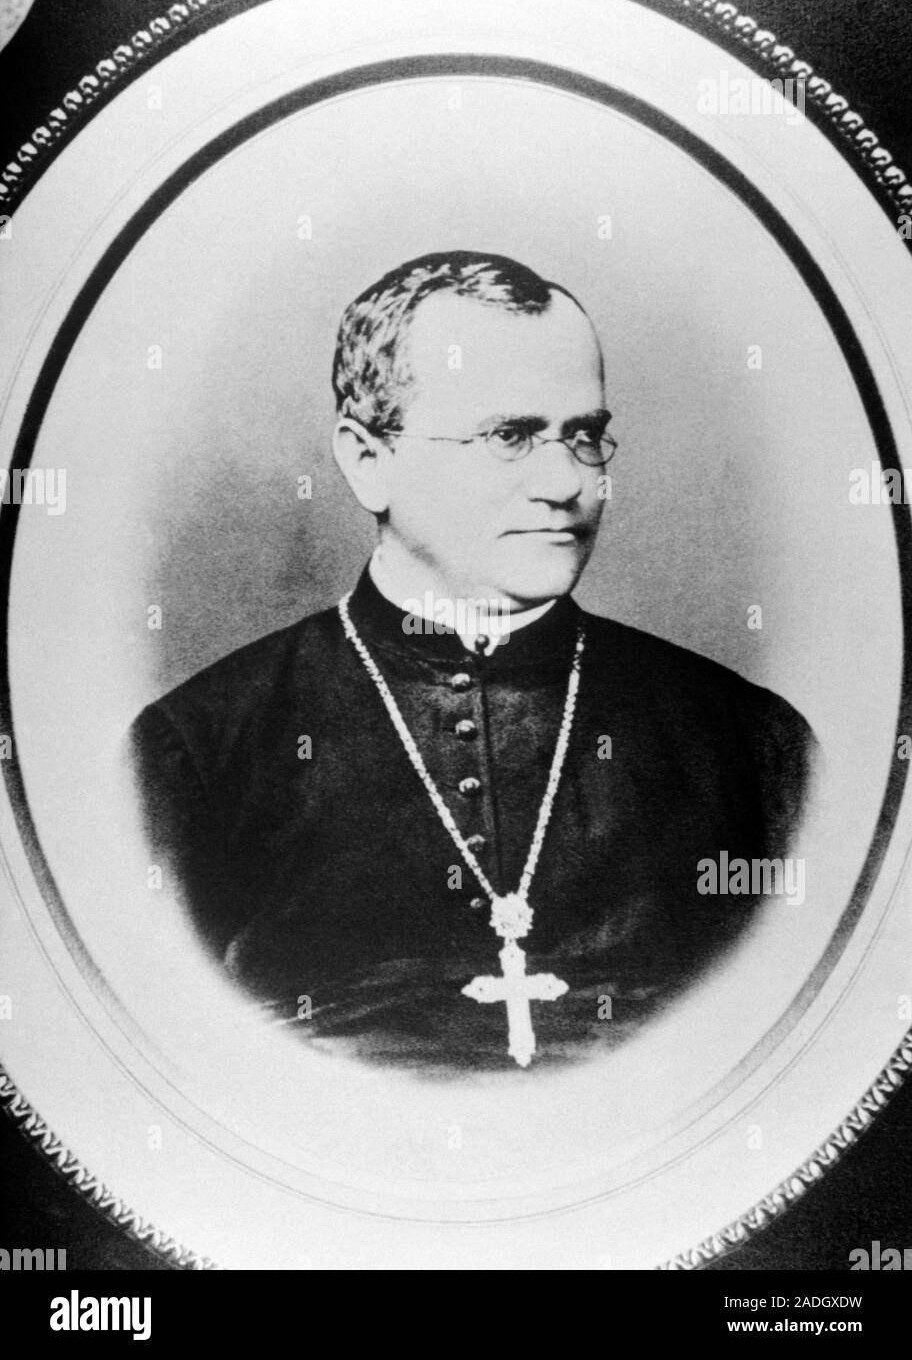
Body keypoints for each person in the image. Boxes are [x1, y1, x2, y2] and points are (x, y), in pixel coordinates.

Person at [129, 251, 814, 1072]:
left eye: (584, 436)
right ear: (367, 460)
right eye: (509, 436)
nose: (565, 481)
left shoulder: (748, 743)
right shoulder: (199, 752)